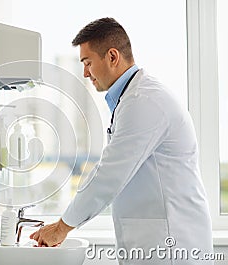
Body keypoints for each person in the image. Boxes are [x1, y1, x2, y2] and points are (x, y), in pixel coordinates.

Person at [30, 17, 214, 264]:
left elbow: (108, 175)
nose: (85, 73)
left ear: (113, 57)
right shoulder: (131, 100)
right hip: (157, 244)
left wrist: (62, 227)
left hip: (172, 244)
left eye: (88, 63)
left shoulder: (144, 101)